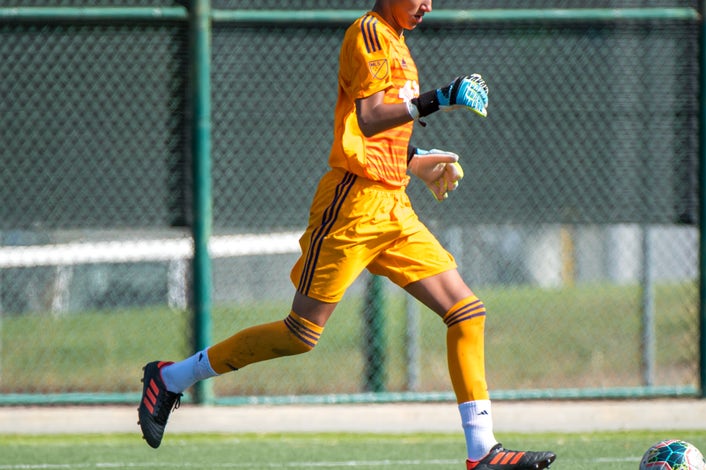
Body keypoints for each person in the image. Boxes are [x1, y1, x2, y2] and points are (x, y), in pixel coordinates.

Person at [137, 1, 557, 468]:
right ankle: (172, 378)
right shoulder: (369, 32)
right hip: (352, 207)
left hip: (393, 207)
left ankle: (483, 453)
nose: (428, 4)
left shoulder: (397, 41)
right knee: (299, 334)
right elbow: (370, 117)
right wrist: (445, 95)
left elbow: (382, 136)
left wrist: (416, 162)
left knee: (466, 312)